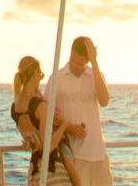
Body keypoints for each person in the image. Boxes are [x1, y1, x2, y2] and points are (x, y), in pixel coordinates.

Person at [45, 37, 110, 186]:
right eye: (72, 59)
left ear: (87, 60)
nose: (74, 65)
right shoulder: (56, 78)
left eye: (79, 63)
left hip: (98, 153)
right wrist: (69, 127)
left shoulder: (95, 75)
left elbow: (104, 101)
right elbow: (47, 114)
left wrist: (95, 62)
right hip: (73, 156)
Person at [9, 55, 80, 186]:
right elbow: (49, 145)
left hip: (34, 172)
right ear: (35, 73)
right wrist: (64, 125)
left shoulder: (15, 108)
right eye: (40, 74)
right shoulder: (40, 106)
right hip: (51, 170)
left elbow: (33, 139)